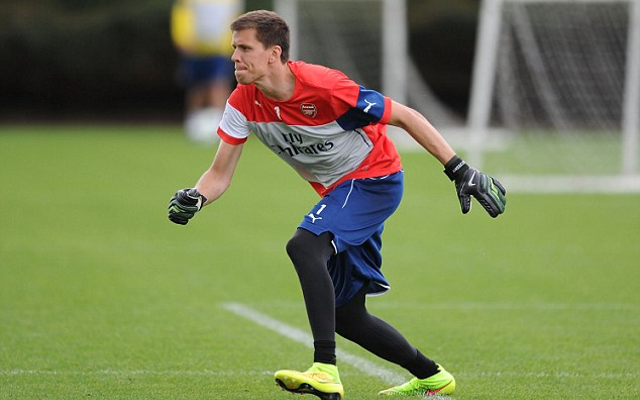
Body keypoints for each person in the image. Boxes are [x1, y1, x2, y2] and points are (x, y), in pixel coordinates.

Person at [168, 10, 506, 399]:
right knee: (347, 315)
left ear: (274, 53)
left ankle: (325, 369)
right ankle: (431, 376)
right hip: (340, 194)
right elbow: (219, 174)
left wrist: (459, 169)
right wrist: (196, 196)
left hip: (374, 179)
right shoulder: (243, 102)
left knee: (304, 245)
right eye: (234, 49)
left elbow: (406, 116)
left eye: (245, 48)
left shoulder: (325, 87)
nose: (235, 57)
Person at [171, 0, 244, 145]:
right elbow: (181, 16)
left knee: (218, 85)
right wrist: (182, 40)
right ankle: (193, 124)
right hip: (194, 49)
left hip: (219, 50)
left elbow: (236, 20)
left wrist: (233, 44)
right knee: (196, 87)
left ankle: (222, 126)